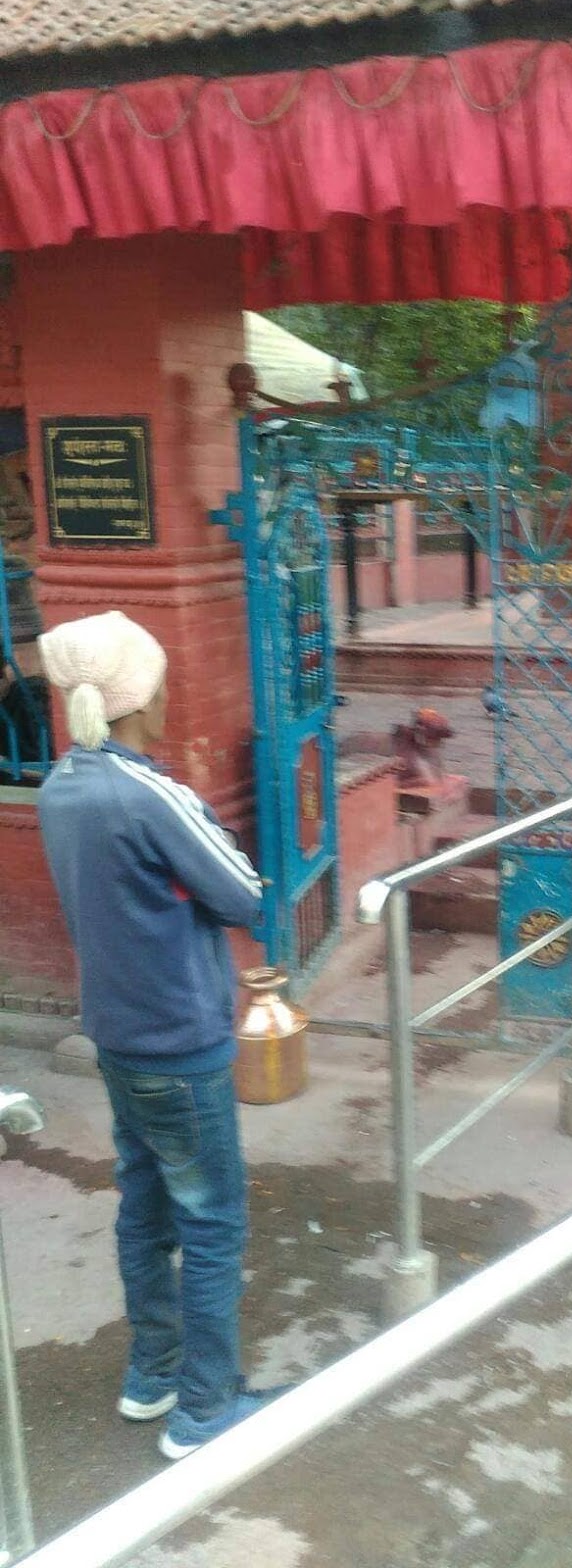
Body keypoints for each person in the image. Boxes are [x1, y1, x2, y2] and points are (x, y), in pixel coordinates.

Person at [36, 610, 270, 1460]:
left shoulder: (61, 785)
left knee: (146, 1209)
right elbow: (243, 893)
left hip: (119, 1038)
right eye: (164, 682)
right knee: (211, 1224)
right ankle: (204, 1409)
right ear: (141, 697)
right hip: (181, 1044)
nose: (171, 695)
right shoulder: (148, 793)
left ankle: (153, 1376)